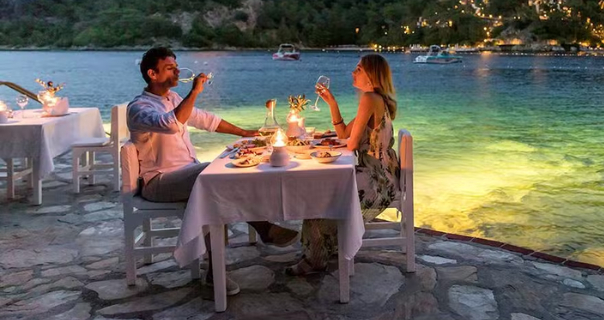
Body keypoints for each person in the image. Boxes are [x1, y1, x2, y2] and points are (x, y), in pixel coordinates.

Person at [127, 46, 298, 294]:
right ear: (152, 74)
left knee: (218, 183)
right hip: (158, 182)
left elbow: (206, 119)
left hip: (187, 174)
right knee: (213, 175)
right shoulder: (139, 108)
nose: (177, 72)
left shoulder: (173, 99)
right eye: (170, 68)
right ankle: (263, 228)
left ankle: (214, 273)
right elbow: (171, 124)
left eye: (176, 67)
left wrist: (245, 133)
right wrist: (195, 91)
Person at [287, 53, 400, 275]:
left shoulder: (370, 99)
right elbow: (343, 134)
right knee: (322, 189)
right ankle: (320, 250)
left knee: (319, 195)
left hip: (376, 184)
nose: (353, 72)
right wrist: (332, 102)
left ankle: (315, 258)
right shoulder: (375, 99)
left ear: (371, 75)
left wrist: (323, 150)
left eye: (358, 69)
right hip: (383, 178)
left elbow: (351, 144)